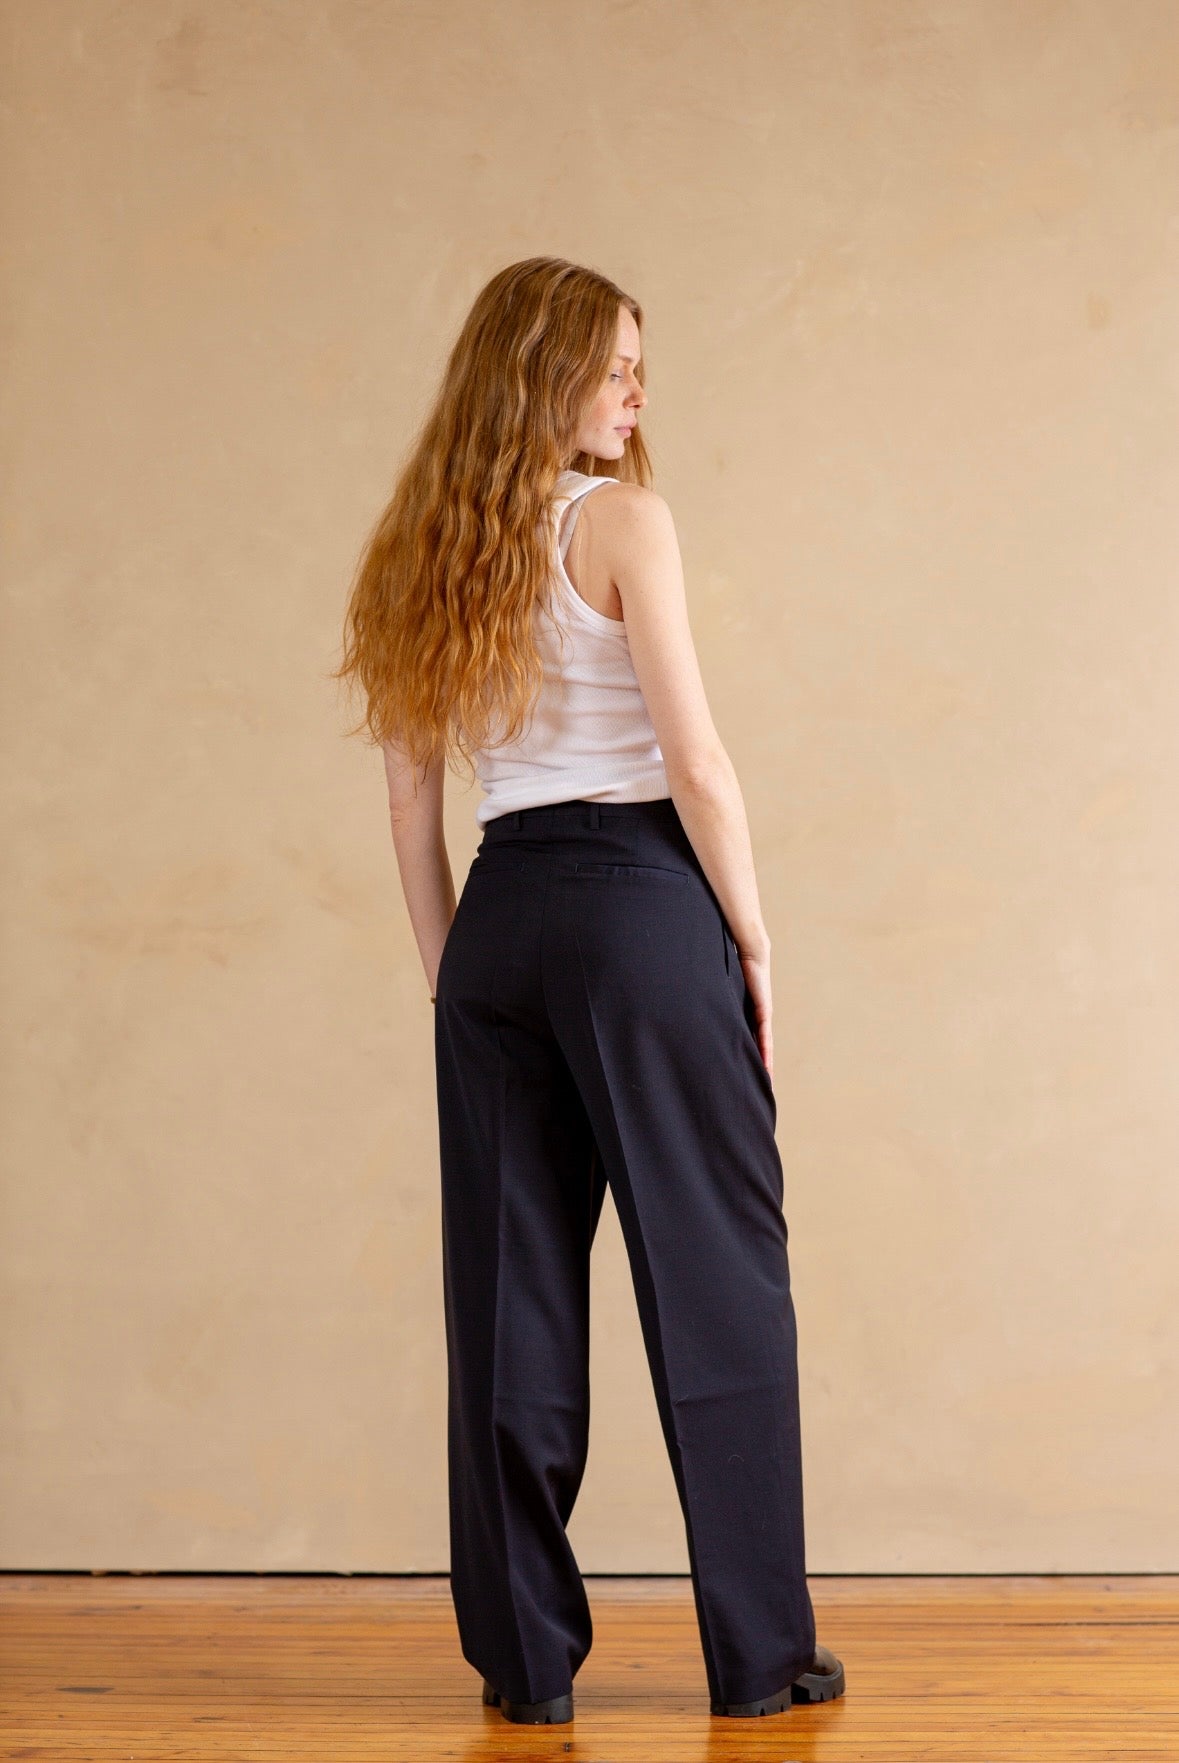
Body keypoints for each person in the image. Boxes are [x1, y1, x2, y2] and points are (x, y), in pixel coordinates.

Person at [334, 256, 845, 1726]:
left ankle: (525, 1671)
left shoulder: (419, 545)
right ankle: (761, 1662)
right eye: (614, 366)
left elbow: (409, 809)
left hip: (502, 916)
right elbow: (695, 762)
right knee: (719, 1285)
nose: (636, 393)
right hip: (640, 910)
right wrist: (750, 938)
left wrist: (458, 987)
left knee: (508, 1309)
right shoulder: (624, 522)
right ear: (542, 372)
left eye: (640, 367)